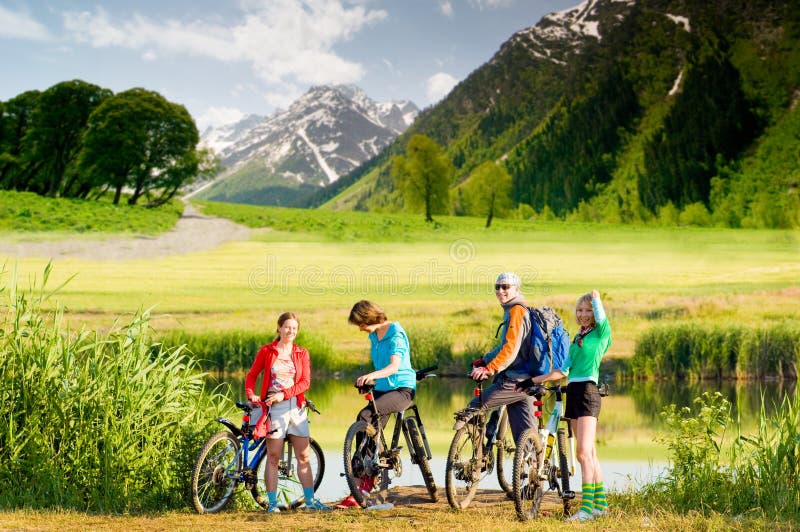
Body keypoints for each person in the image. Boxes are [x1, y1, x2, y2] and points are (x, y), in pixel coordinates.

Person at [522, 289, 611, 522]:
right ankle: (600, 506)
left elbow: (601, 318)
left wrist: (596, 298)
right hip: (572, 391)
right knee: (590, 452)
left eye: (587, 310)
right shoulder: (578, 337)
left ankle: (586, 509)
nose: (583, 314)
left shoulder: (602, 334)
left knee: (582, 453)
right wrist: (533, 380)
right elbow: (563, 370)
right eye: (579, 310)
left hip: (589, 393)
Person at [244, 312, 330, 513]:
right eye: (287, 327)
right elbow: (252, 375)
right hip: (274, 409)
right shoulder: (267, 351)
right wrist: (251, 394)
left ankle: (310, 501)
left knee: (304, 456)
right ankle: (272, 504)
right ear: (279, 328)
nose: (290, 331)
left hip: (297, 407)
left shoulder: (302, 353)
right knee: (273, 457)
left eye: (294, 328)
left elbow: (305, 383)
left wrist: (284, 394)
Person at [336, 300, 417, 509]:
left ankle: (362, 482)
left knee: (366, 416)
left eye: (361, 324)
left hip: (401, 390)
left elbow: (393, 367)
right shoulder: (374, 335)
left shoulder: (395, 334)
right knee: (365, 421)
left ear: (369, 317)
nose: (360, 329)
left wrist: (371, 375)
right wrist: (370, 381)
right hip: (382, 389)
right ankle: (362, 484)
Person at [463, 272, 537, 451]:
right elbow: (505, 346)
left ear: (517, 289)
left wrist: (490, 368)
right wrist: (485, 360)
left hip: (515, 380)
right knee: (526, 440)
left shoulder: (517, 311)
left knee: (473, 408)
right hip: (528, 379)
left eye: (505, 287)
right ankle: (535, 474)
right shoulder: (514, 310)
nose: (500, 291)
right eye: (497, 287)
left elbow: (510, 349)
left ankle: (478, 459)